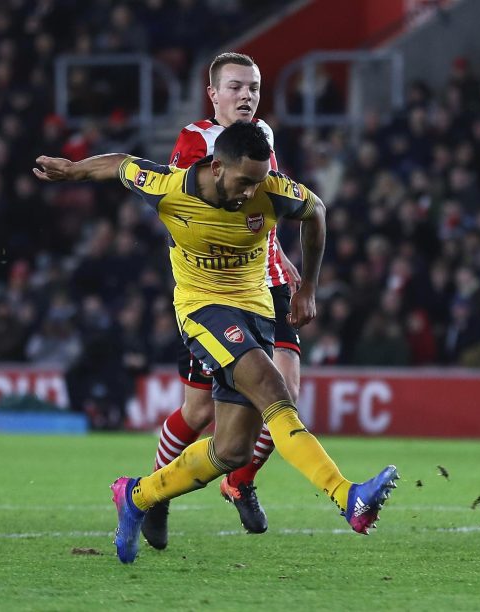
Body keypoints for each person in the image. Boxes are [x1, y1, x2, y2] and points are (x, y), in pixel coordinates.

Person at [33, 121, 398, 564]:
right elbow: (121, 165)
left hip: (256, 311)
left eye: (258, 181)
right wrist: (71, 170)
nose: (251, 191)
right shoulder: (170, 188)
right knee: (275, 393)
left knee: (231, 450)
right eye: (244, 181)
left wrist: (308, 288)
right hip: (203, 311)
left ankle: (137, 495)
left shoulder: (272, 190)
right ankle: (348, 498)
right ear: (217, 167)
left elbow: (317, 211)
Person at [145, 52, 299, 547]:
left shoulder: (264, 137)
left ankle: (240, 481)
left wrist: (282, 256)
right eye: (235, 87)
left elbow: (260, 205)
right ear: (213, 94)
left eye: (253, 87)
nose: (246, 96)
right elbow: (183, 212)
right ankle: (157, 493)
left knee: (284, 397)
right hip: (213, 292)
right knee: (197, 413)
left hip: (268, 284)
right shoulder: (195, 141)